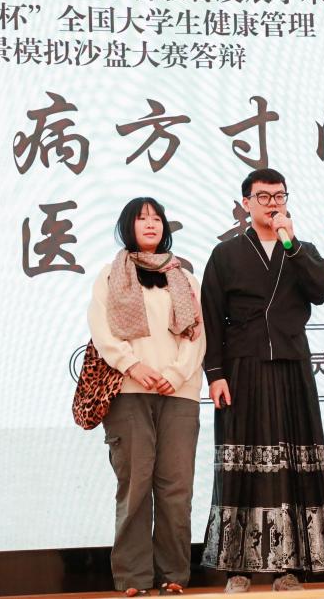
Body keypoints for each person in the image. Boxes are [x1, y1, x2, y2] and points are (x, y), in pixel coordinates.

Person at [199, 168, 324, 593]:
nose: (273, 204)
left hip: (292, 366)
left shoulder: (301, 250)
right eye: (263, 197)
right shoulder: (226, 254)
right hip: (242, 367)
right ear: (246, 203)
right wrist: (215, 374)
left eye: (279, 196)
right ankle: (237, 569)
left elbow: (322, 289)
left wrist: (291, 244)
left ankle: (289, 568)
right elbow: (211, 317)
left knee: (292, 464)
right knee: (241, 465)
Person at [87, 197, 206, 597]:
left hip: (179, 393)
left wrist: (175, 374)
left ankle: (173, 574)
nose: (151, 224)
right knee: (135, 485)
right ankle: (133, 578)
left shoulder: (185, 278)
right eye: (142, 219)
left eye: (156, 218)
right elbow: (102, 330)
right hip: (129, 391)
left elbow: (197, 335)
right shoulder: (110, 275)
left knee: (176, 488)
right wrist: (132, 365)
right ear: (129, 227)